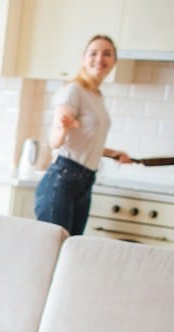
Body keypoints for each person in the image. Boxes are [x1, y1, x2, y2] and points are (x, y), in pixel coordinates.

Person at [35, 34, 132, 235]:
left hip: (85, 183)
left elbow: (88, 141)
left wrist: (114, 153)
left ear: (114, 61)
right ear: (83, 59)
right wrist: (62, 128)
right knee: (55, 249)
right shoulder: (73, 91)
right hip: (62, 180)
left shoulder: (96, 95)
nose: (100, 59)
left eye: (107, 54)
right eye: (93, 53)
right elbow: (55, 142)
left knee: (73, 251)